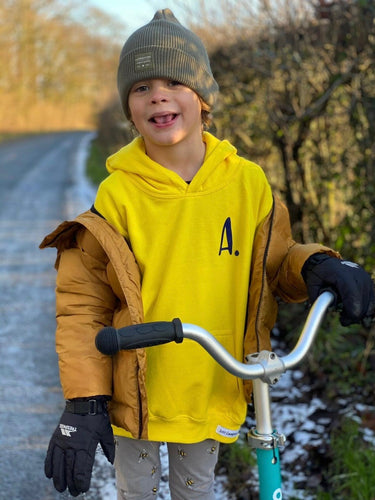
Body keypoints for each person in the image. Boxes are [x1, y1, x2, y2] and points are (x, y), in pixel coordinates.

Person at [40, 9, 375, 499]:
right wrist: (85, 400)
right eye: (141, 87)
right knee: (136, 492)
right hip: (137, 392)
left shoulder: (246, 184)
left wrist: (317, 264)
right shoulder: (118, 195)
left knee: (196, 491)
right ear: (130, 110)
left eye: (175, 80)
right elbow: (83, 303)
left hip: (212, 383)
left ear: (203, 99)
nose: (157, 94)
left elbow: (275, 261)